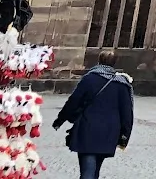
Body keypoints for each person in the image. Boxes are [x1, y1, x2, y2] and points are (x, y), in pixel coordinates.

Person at [52, 50, 134, 179]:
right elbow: (127, 113)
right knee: (94, 171)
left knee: (87, 172)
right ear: (114, 63)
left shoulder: (90, 78)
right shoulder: (122, 84)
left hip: (88, 128)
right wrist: (124, 136)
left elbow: (73, 101)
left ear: (99, 61)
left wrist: (59, 120)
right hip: (109, 131)